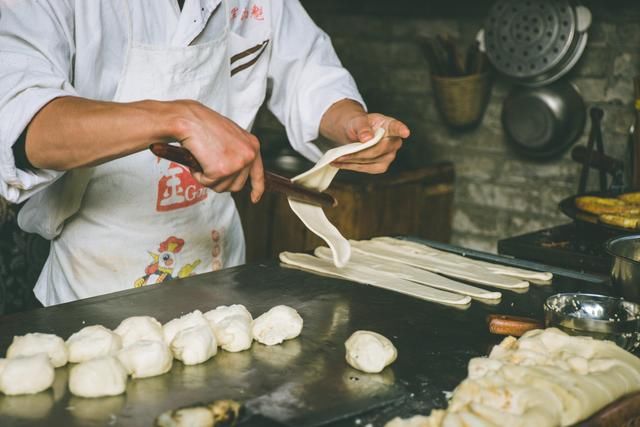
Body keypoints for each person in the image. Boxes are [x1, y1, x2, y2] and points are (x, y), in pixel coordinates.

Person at [0, 0, 410, 306]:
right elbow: (24, 124)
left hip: (218, 274)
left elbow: (306, 68)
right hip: (92, 287)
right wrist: (180, 118)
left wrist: (351, 122)